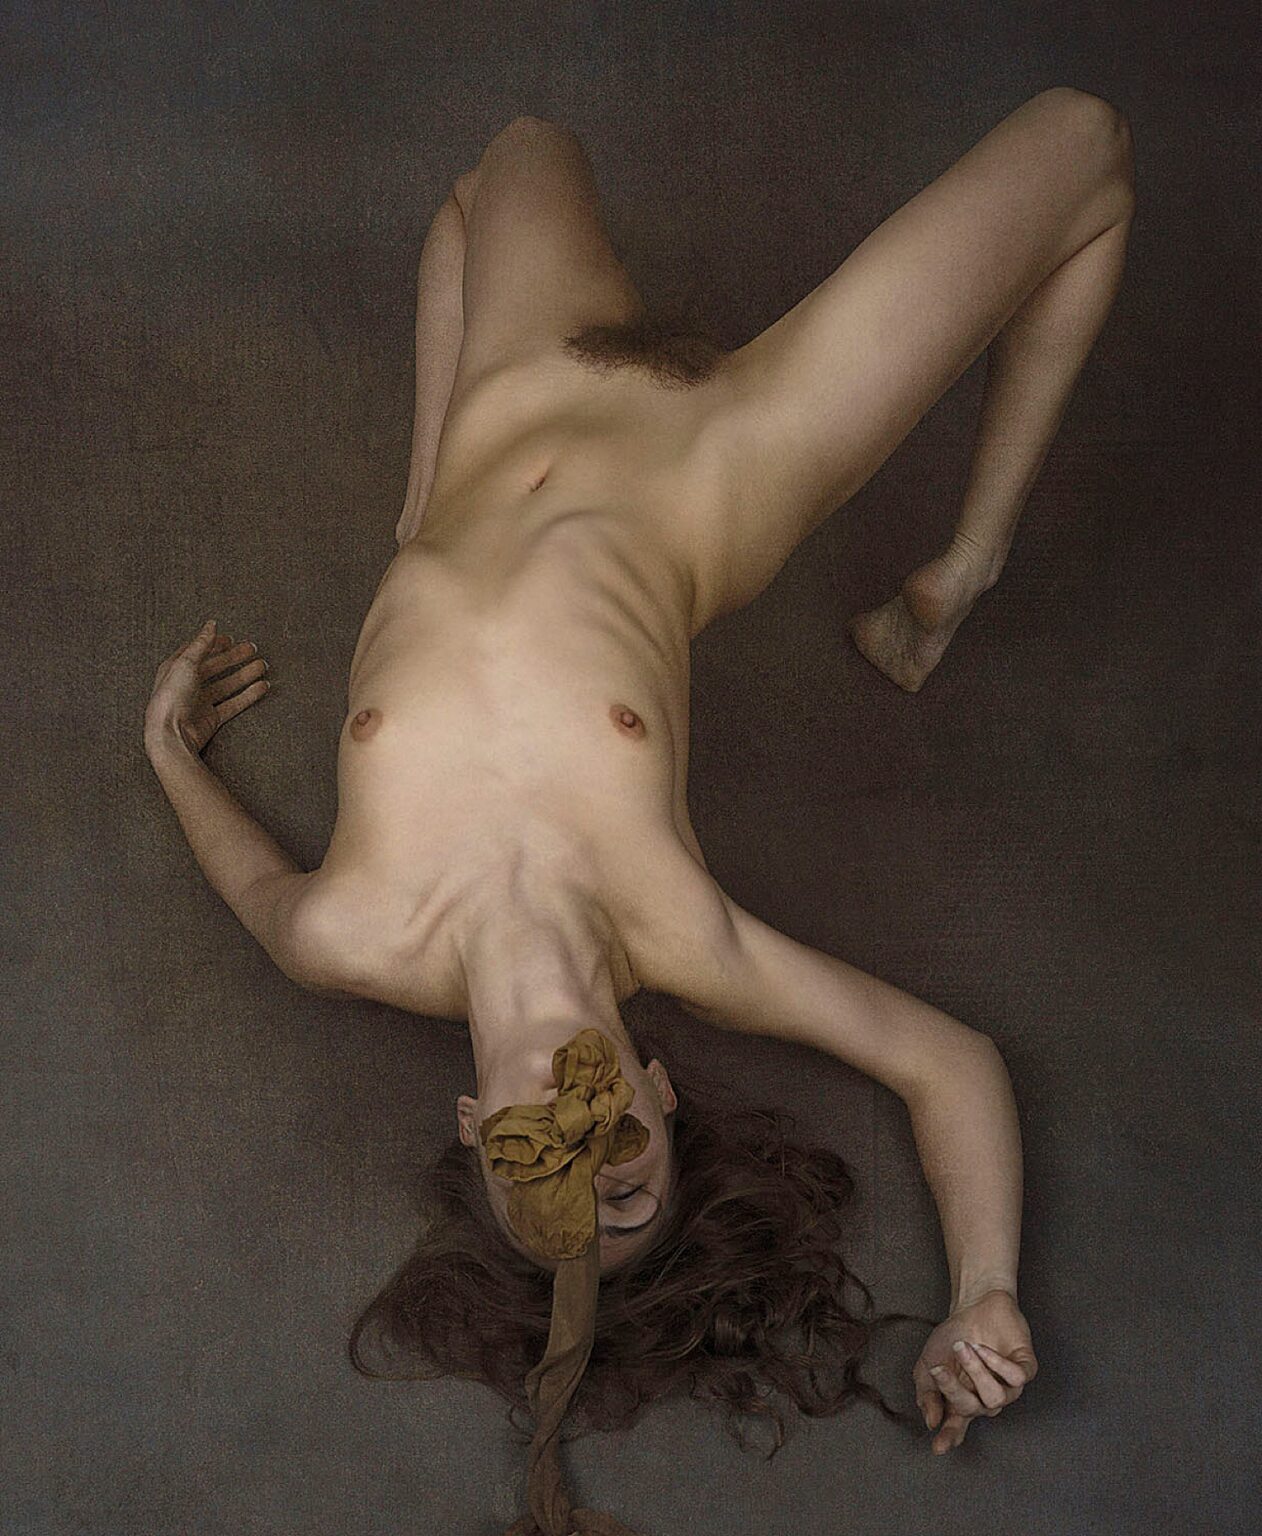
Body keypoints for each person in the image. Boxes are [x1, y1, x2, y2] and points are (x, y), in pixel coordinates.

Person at [144, 90, 1133, 1532]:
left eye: (544, 1190)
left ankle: (429, 503)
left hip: (523, 394)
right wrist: (983, 1290)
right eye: (625, 1192)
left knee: (512, 158)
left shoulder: (352, 936)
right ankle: (960, 579)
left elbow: (251, 890)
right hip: (726, 458)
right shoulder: (682, 938)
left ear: (476, 1127)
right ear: (657, 1098)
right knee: (1084, 146)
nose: (583, 1160)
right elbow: (949, 1063)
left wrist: (172, 750)